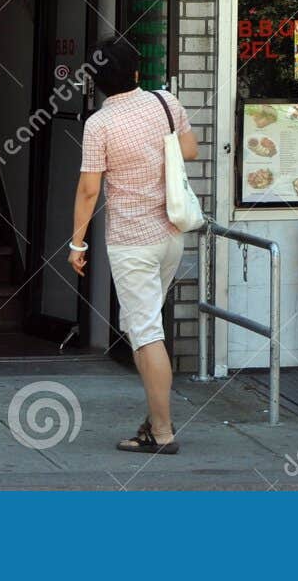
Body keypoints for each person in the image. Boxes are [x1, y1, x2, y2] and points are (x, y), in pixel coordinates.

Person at [69, 36, 198, 455]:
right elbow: (190, 151)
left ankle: (161, 432)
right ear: (137, 73)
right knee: (139, 325)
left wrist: (77, 244)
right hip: (170, 237)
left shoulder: (99, 125)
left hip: (132, 243)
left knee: (145, 332)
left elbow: (89, 189)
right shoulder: (165, 103)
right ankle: (154, 419)